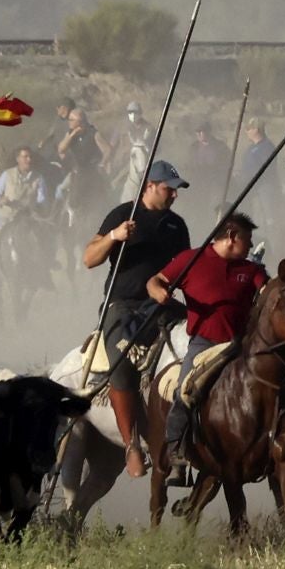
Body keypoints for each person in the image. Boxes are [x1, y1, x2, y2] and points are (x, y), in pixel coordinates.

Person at [83, 159, 191, 479]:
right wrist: (114, 236)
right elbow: (89, 258)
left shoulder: (177, 226)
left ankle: (183, 436)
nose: (174, 195)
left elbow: (183, 269)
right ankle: (131, 444)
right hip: (123, 306)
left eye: (176, 191)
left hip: (163, 305)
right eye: (169, 189)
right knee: (121, 364)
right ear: (150, 186)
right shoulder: (122, 214)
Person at [148, 213, 267, 487]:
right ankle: (177, 454)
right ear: (232, 237)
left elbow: (268, 293)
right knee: (184, 393)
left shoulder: (250, 270)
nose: (250, 247)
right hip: (205, 344)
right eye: (247, 241)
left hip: (240, 346)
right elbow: (155, 281)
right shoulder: (191, 259)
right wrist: (159, 292)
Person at [0, 145, 50, 266]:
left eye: (30, 157)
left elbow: (42, 200)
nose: (28, 159)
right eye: (25, 157)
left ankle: (47, 269)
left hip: (29, 218)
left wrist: (36, 207)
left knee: (45, 240)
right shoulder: (7, 175)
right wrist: (0, 201)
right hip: (7, 215)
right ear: (18, 159)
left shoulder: (38, 178)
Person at [56, 106, 107, 205]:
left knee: (96, 198)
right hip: (77, 171)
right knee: (61, 190)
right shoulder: (70, 133)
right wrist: (72, 135)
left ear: (79, 121)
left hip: (92, 171)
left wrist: (102, 163)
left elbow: (107, 150)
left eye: (71, 120)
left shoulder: (93, 133)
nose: (69, 121)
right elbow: (61, 149)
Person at [183, 119, 228, 203]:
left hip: (214, 185)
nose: (199, 134)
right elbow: (189, 165)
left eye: (202, 131)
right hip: (197, 185)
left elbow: (226, 166)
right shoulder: (193, 147)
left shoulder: (221, 147)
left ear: (209, 132)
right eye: (197, 132)